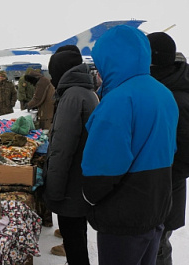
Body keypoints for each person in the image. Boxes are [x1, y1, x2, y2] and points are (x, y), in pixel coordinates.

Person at [81, 25, 179, 265]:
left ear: (110, 59)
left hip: (123, 216)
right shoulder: (164, 93)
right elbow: (171, 148)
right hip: (156, 207)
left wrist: (89, 196)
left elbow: (103, 168)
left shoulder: (119, 100)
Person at [43, 45, 99, 264]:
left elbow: (62, 150)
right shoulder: (84, 92)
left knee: (74, 244)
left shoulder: (73, 97)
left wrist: (53, 193)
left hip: (70, 188)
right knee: (77, 239)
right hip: (79, 182)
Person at [147, 32, 189, 265]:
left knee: (158, 248)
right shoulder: (165, 86)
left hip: (164, 191)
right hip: (157, 189)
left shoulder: (175, 96)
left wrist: (162, 178)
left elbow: (185, 155)